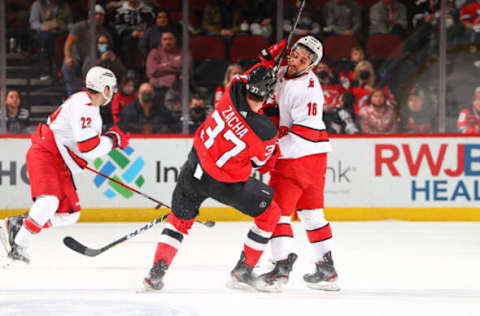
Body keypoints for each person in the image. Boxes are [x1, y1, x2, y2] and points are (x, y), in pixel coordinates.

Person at [140, 64, 281, 293]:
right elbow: (260, 164)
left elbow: (242, 76)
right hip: (227, 185)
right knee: (271, 214)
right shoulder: (266, 131)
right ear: (268, 95)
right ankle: (243, 271)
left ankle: (155, 274)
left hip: (193, 169)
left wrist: (267, 67)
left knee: (179, 221)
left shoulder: (232, 90)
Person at [0, 66, 130, 264]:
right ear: (104, 89)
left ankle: (18, 223)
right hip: (47, 153)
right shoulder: (85, 105)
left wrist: (110, 140)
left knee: (70, 214)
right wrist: (113, 141)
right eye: (111, 88)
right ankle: (19, 245)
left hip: (59, 162)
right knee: (49, 202)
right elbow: (87, 146)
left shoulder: (88, 105)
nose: (113, 92)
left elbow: (83, 146)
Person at [256, 36, 339, 291]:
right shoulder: (284, 70)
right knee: (312, 214)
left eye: (305, 60)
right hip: (316, 156)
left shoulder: (308, 90)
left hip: (299, 155)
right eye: (295, 55)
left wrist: (270, 152)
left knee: (277, 212)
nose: (297, 61)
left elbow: (303, 133)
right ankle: (327, 271)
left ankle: (279, 270)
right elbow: (261, 72)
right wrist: (269, 55)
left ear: (312, 66)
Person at [62, 4, 110, 96]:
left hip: (93, 61)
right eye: (95, 14)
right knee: (67, 67)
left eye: (101, 15)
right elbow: (69, 43)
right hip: (77, 59)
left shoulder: (105, 32)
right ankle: (71, 96)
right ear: (89, 16)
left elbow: (106, 50)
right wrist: (68, 57)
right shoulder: (79, 27)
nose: (98, 17)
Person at [29, 0, 73, 79]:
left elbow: (69, 22)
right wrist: (42, 27)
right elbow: (33, 22)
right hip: (45, 33)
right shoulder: (38, 4)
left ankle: (64, 70)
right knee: (45, 39)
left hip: (62, 31)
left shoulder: (65, 5)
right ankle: (46, 70)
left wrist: (72, 31)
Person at [145, 31, 192, 98]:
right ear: (161, 41)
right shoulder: (154, 53)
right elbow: (153, 71)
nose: (168, 42)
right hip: (158, 89)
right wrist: (175, 69)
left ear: (175, 40)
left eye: (170, 39)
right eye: (165, 39)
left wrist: (164, 66)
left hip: (178, 89)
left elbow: (187, 69)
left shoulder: (183, 52)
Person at [114, 0, 155, 68]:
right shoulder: (119, 11)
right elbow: (118, 28)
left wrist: (145, 33)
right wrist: (131, 33)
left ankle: (147, 67)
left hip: (145, 35)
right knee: (127, 41)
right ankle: (129, 68)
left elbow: (152, 26)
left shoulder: (149, 10)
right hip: (126, 36)